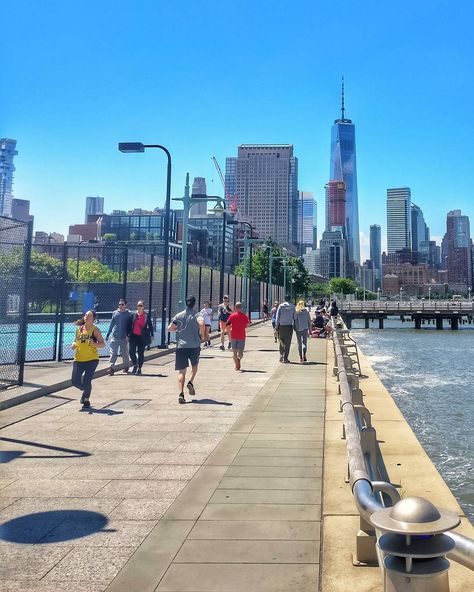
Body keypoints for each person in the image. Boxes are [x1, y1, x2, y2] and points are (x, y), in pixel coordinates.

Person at [168, 295, 205, 404]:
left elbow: (169, 328)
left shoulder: (179, 316)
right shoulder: (197, 314)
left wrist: (177, 329)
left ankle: (181, 393)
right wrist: (201, 335)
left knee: (181, 371)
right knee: (194, 366)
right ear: (194, 303)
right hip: (194, 345)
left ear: (185, 303)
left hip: (181, 346)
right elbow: (202, 323)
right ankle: (191, 382)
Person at [71, 310, 105, 408]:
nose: (86, 317)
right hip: (79, 359)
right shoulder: (79, 329)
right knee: (75, 381)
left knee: (87, 380)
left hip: (92, 359)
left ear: (93, 319)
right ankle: (85, 389)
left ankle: (86, 399)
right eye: (85, 315)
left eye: (89, 316)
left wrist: (94, 344)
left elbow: (102, 344)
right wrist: (73, 345)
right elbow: (75, 341)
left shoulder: (95, 330)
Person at [105, 298, 132, 375]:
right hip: (115, 336)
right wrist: (108, 334)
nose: (120, 306)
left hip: (124, 337)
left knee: (124, 353)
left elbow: (131, 325)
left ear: (125, 305)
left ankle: (126, 367)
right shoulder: (115, 313)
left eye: (122, 304)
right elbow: (111, 324)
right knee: (113, 353)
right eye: (119, 304)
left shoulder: (129, 313)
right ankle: (111, 368)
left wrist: (129, 335)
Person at [129, 300, 154, 375]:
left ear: (143, 307)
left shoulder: (146, 315)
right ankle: (135, 365)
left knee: (140, 353)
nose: (139, 307)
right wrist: (128, 334)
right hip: (133, 336)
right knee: (131, 352)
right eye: (138, 306)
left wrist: (151, 334)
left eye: (140, 306)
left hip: (142, 337)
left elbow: (150, 325)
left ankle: (139, 368)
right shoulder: (133, 315)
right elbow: (129, 325)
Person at [226, 302, 250, 371]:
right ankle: (238, 359)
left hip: (233, 335)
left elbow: (227, 324)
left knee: (234, 352)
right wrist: (244, 326)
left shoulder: (232, 316)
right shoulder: (244, 316)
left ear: (235, 308)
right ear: (241, 308)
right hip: (241, 335)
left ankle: (236, 364)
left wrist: (230, 329)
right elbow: (248, 324)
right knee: (241, 352)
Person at [275, 295, 296, 363]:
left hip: (281, 326)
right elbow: (295, 317)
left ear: (284, 299)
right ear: (290, 299)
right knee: (288, 343)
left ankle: (281, 354)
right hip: (289, 326)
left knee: (281, 341)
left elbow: (277, 317)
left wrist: (276, 326)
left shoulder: (281, 306)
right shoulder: (292, 306)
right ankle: (285, 358)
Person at [295, 299, 311, 364]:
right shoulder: (306, 312)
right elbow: (309, 322)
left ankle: (300, 358)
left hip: (298, 329)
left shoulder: (296, 312)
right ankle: (304, 355)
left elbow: (294, 320)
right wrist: (310, 331)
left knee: (299, 344)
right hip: (305, 328)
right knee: (304, 343)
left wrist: (295, 328)